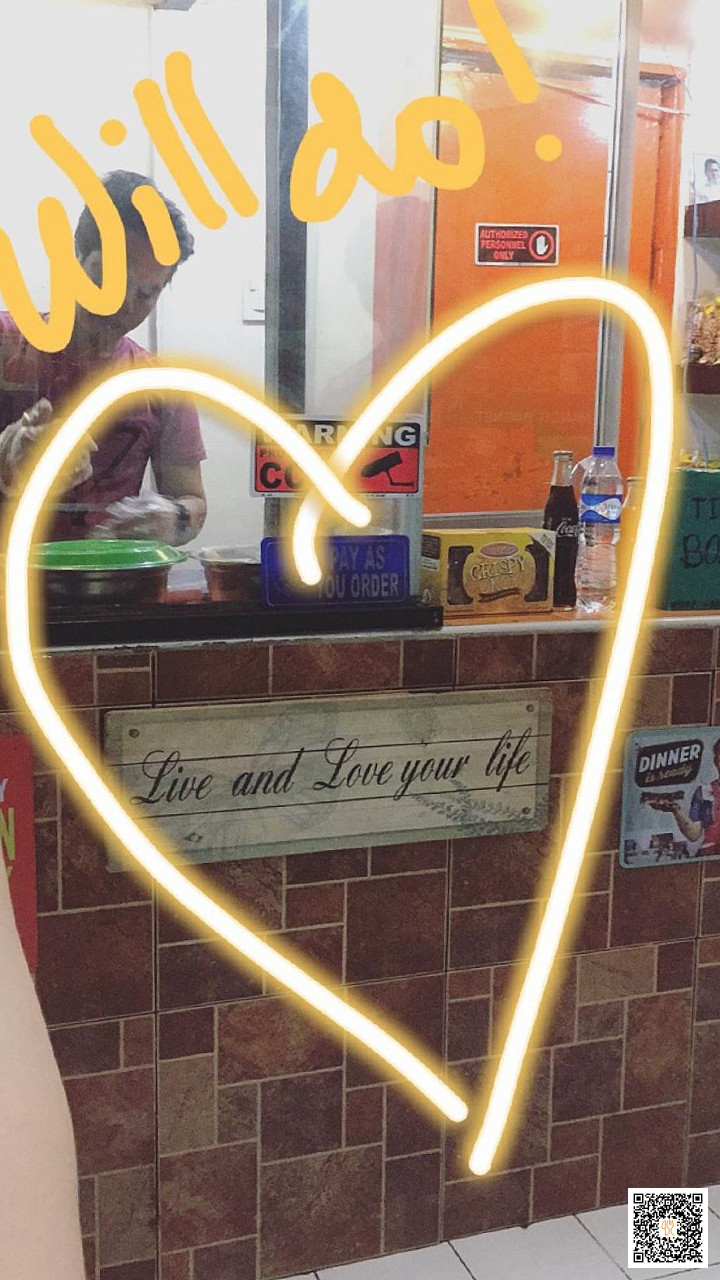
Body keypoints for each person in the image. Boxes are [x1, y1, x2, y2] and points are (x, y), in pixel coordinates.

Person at [0, 170, 207, 545]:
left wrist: (173, 517)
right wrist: (5, 456)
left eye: (146, 294)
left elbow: (192, 500)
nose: (122, 303)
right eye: (110, 278)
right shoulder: (5, 343)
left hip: (112, 578)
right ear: (75, 256)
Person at [645, 738, 720, 856]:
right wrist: (676, 810)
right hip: (710, 856)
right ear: (715, 761)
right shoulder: (705, 792)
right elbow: (693, 834)